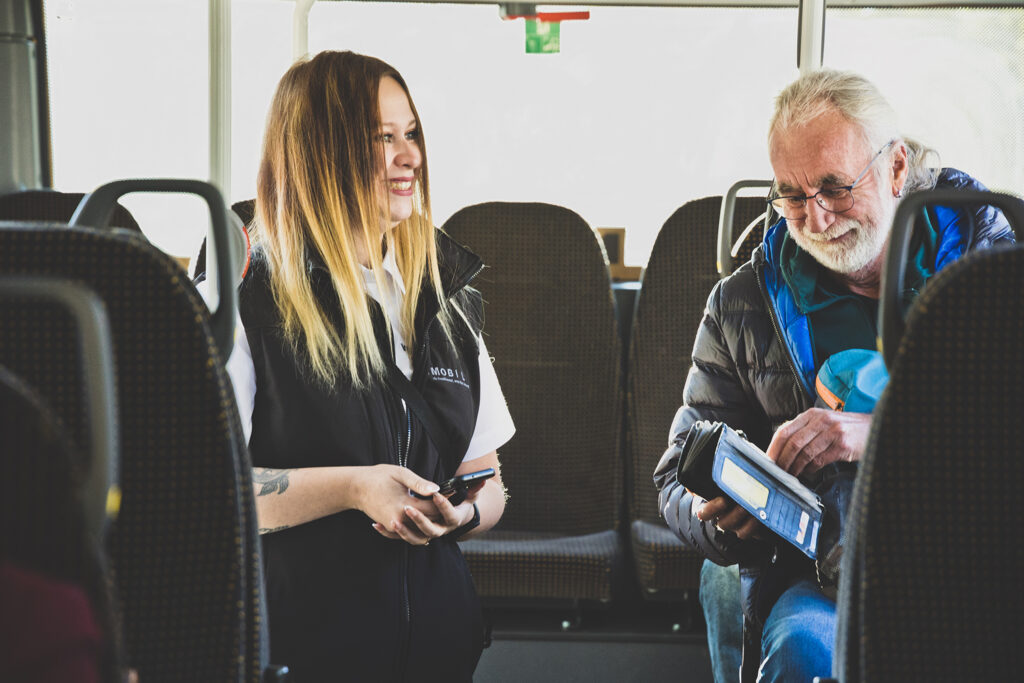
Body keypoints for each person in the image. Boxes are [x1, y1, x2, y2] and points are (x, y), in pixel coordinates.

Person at [654, 69, 1014, 683]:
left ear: (895, 168)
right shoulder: (744, 303)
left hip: (981, 565)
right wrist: (727, 515)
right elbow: (674, 478)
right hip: (821, 577)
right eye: (792, 196)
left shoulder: (994, 270)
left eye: (835, 188)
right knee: (801, 650)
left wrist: (879, 434)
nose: (816, 220)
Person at [224, 51, 514, 682]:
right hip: (299, 653)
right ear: (318, 153)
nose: (410, 156)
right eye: (383, 138)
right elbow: (209, 491)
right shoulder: (243, 297)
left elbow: (487, 482)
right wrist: (355, 489)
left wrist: (460, 515)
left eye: (412, 134)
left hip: (439, 654)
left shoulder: (443, 297)